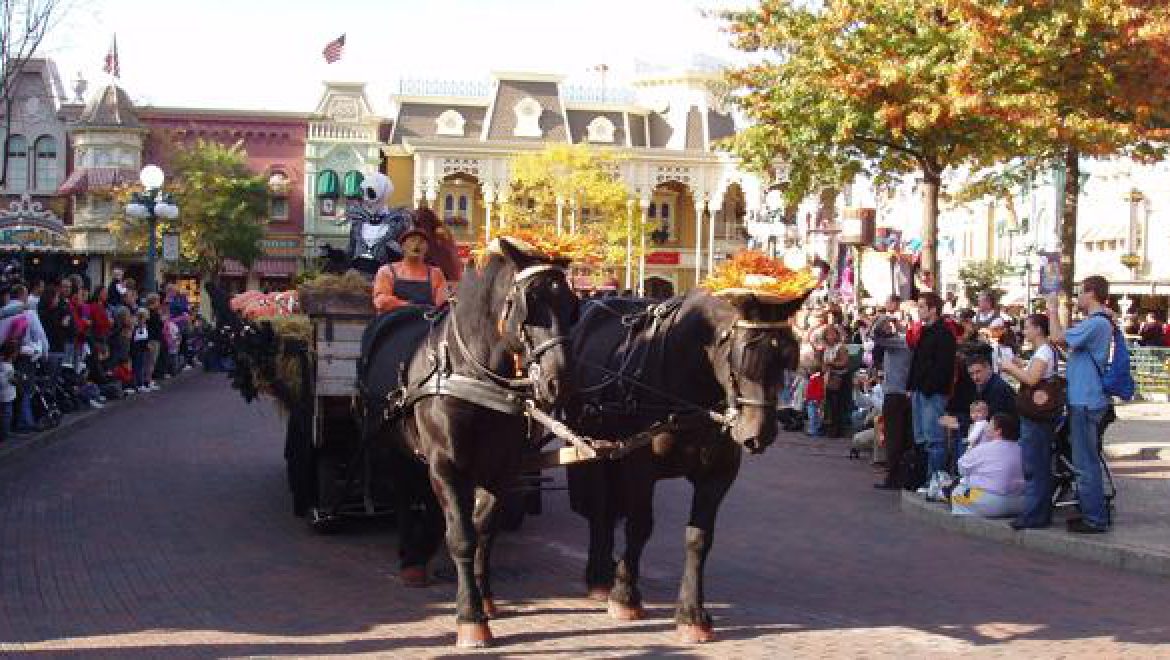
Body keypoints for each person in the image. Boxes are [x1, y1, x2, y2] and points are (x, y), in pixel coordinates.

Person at [1046, 278, 1113, 534]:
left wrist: (1052, 309)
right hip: (1086, 398)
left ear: (1091, 294)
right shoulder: (1099, 324)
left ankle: (1094, 517)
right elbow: (1070, 350)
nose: (1077, 299)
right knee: (1086, 459)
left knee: (1085, 462)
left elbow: (1057, 337)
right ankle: (1091, 512)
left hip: (1085, 400)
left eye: (1080, 293)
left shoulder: (1095, 323)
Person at [1001, 313, 1060, 529]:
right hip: (1038, 415)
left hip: (1036, 415)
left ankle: (1034, 514)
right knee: (1037, 463)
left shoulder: (1044, 351)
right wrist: (1022, 364)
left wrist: (1011, 368)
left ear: (1038, 329)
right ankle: (1038, 512)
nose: (1024, 332)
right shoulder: (1045, 351)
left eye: (1027, 327)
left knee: (1034, 465)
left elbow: (1032, 379)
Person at [907, 292, 958, 480]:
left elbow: (943, 366)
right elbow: (918, 362)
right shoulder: (925, 331)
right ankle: (923, 477)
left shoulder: (944, 334)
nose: (918, 311)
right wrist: (912, 386)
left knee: (934, 438)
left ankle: (935, 480)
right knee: (921, 437)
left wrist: (928, 386)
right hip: (920, 390)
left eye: (922, 306)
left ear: (933, 309)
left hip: (933, 392)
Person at [942, 353, 1017, 461]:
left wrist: (959, 422)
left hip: (1003, 439)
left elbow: (990, 419)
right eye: (971, 374)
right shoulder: (984, 386)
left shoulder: (997, 388)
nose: (975, 377)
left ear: (988, 368)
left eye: (978, 372)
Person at [950, 413, 1026, 517]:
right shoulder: (1021, 450)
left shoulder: (984, 448)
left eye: (990, 425)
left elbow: (961, 467)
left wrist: (971, 447)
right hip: (1019, 503)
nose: (987, 427)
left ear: (998, 431)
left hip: (992, 503)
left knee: (958, 491)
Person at [872, 315, 914, 490]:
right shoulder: (909, 344)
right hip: (905, 394)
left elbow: (876, 335)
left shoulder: (900, 343)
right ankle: (902, 476)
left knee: (893, 437)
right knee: (904, 437)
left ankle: (893, 478)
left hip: (894, 394)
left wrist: (885, 319)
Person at [372, 227, 449, 313]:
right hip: (393, 321)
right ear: (403, 246)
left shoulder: (436, 273)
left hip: (426, 321)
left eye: (422, 241)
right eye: (413, 240)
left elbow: (442, 304)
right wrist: (408, 306)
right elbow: (381, 301)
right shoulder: (387, 271)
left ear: (427, 248)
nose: (417, 244)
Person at [820, 324, 852, 438]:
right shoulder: (827, 348)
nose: (830, 336)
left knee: (837, 405)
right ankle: (829, 428)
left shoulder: (841, 347)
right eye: (828, 334)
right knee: (829, 405)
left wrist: (831, 364)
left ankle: (837, 430)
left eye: (832, 334)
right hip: (829, 379)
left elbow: (845, 363)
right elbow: (823, 364)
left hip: (840, 379)